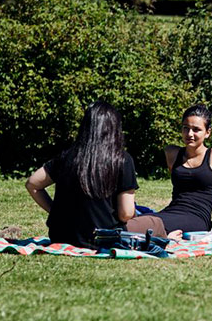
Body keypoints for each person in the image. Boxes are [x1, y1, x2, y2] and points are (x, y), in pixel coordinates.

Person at [25, 101, 156, 248]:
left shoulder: (67, 156)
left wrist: (55, 211)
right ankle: (172, 237)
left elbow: (33, 184)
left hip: (60, 236)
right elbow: (125, 214)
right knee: (155, 223)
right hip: (104, 238)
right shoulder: (122, 159)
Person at [151, 104, 212, 235]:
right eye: (186, 128)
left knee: (147, 225)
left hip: (197, 218)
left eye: (196, 129)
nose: (190, 134)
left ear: (208, 132)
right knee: (137, 221)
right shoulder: (172, 153)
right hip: (171, 212)